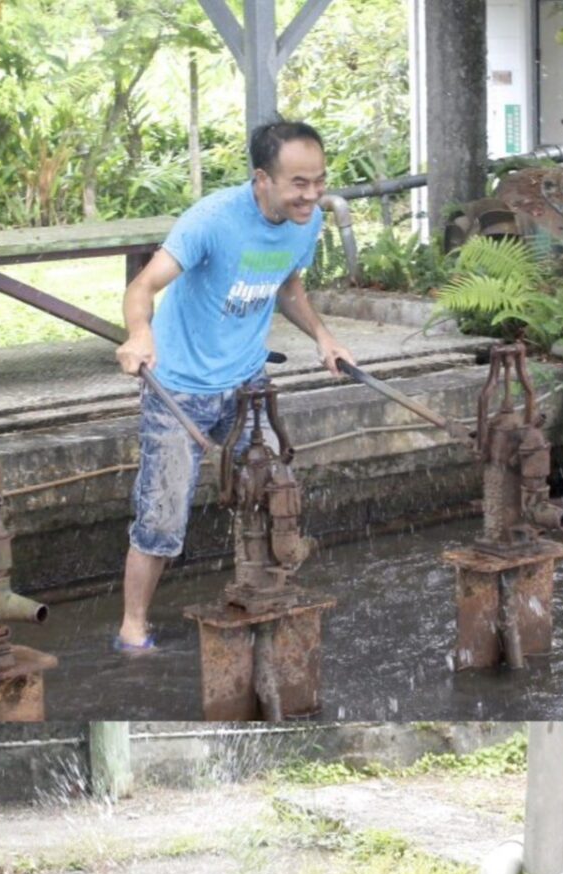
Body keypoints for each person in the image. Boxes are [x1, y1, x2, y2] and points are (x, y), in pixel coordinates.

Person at [111, 118, 356, 654]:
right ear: (262, 178)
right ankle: (133, 626)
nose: (311, 195)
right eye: (298, 183)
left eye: (318, 181)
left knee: (275, 488)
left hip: (248, 384)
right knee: (162, 516)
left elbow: (288, 284)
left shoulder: (306, 222)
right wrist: (139, 334)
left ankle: (263, 592)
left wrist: (323, 336)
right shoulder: (212, 220)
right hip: (179, 388)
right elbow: (143, 285)